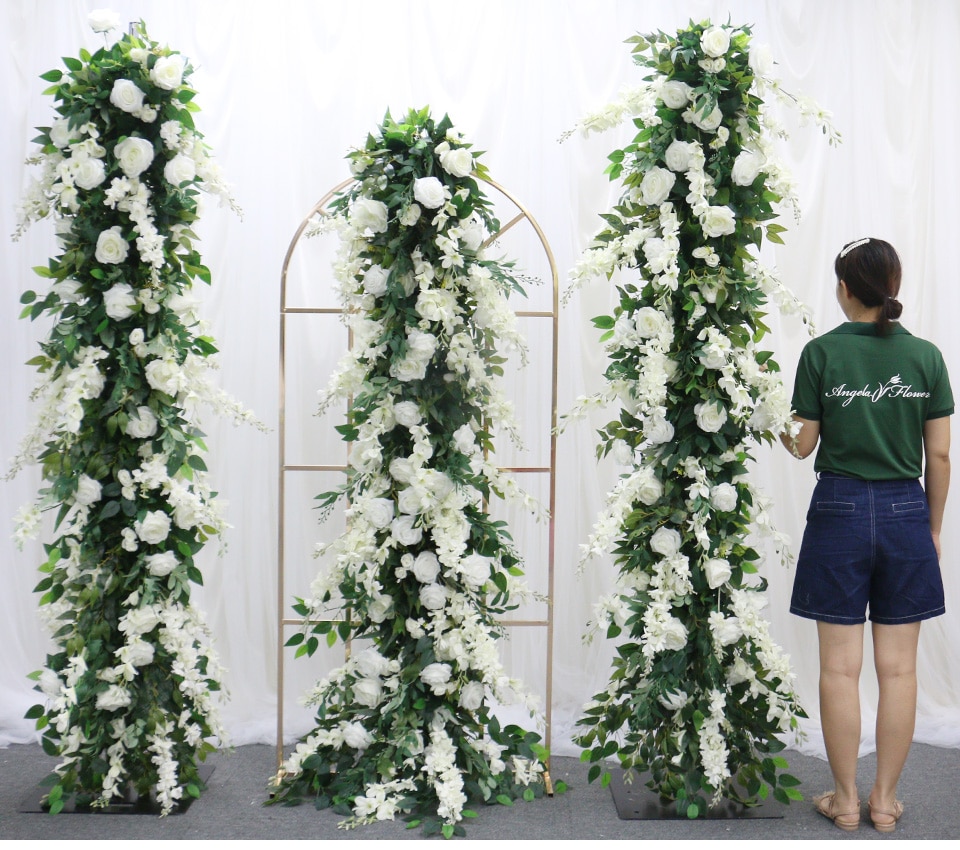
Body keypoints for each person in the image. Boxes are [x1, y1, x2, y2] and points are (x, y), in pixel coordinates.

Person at [781, 237, 952, 833]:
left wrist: (773, 418)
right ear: (893, 288)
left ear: (845, 289)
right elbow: (941, 456)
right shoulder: (927, 357)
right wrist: (931, 527)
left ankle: (846, 801)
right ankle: (885, 802)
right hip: (906, 512)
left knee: (839, 669)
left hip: (839, 511)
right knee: (900, 670)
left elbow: (803, 446)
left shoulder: (821, 352)